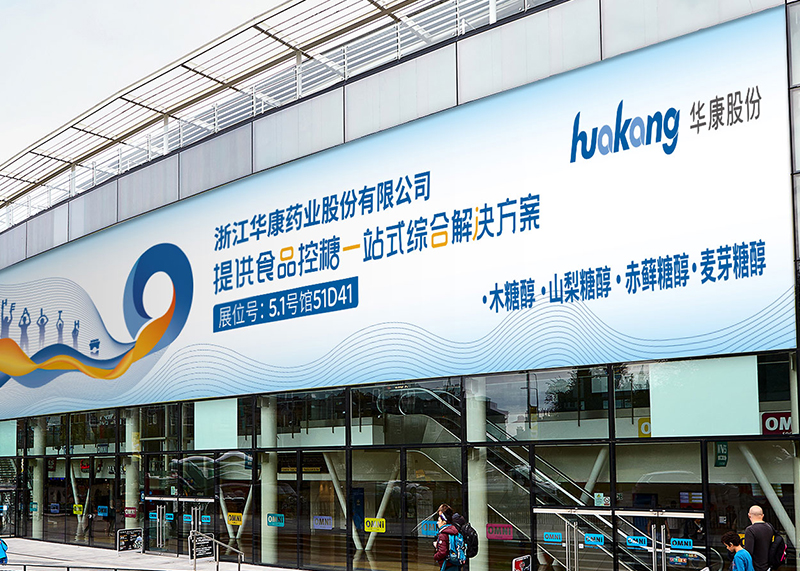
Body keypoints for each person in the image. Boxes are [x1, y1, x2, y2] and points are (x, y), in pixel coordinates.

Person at [745, 505, 773, 571]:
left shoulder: (750, 530)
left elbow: (748, 552)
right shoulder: (769, 528)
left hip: (755, 567)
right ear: (762, 515)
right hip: (767, 566)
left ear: (749, 515)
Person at [434, 504, 461, 571]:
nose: (437, 523)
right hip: (455, 563)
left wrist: (435, 556)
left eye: (439, 520)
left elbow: (442, 552)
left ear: (444, 522)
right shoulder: (454, 530)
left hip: (447, 564)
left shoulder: (443, 534)